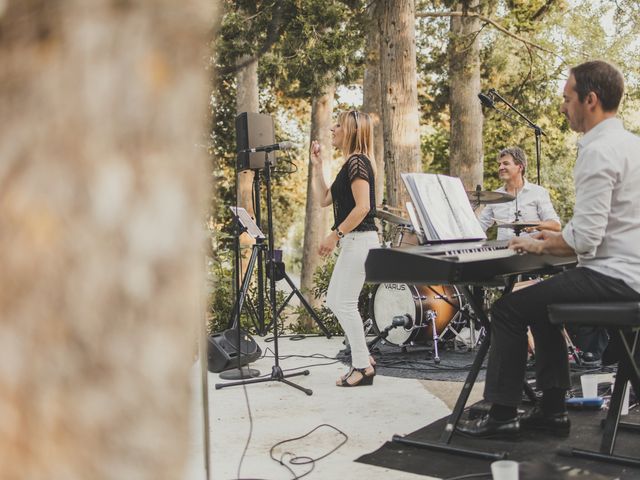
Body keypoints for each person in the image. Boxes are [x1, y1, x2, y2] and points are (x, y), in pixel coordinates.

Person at [458, 60, 640, 438]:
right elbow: (603, 227)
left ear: (589, 100)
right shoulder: (630, 145)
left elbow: (585, 240)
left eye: (567, 98)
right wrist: (549, 240)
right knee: (541, 306)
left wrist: (535, 241)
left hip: (614, 278)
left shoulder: (598, 150)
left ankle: (502, 415)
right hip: (630, 273)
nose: (562, 106)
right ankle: (553, 410)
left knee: (507, 309)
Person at [310, 110, 379, 387]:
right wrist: (317, 166)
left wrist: (334, 234)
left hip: (359, 240)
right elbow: (324, 199)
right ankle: (364, 359)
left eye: (338, 125)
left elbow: (363, 207)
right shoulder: (350, 163)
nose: (332, 129)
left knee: (344, 303)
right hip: (354, 241)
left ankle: (362, 367)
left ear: (351, 131)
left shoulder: (358, 163)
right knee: (338, 302)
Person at [477, 147, 560, 241]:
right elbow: (480, 225)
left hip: (531, 251)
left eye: (506, 164)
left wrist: (533, 224)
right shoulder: (495, 196)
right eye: (499, 164)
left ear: (520, 167)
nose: (500, 167)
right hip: (503, 251)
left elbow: (555, 225)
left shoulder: (538, 192)